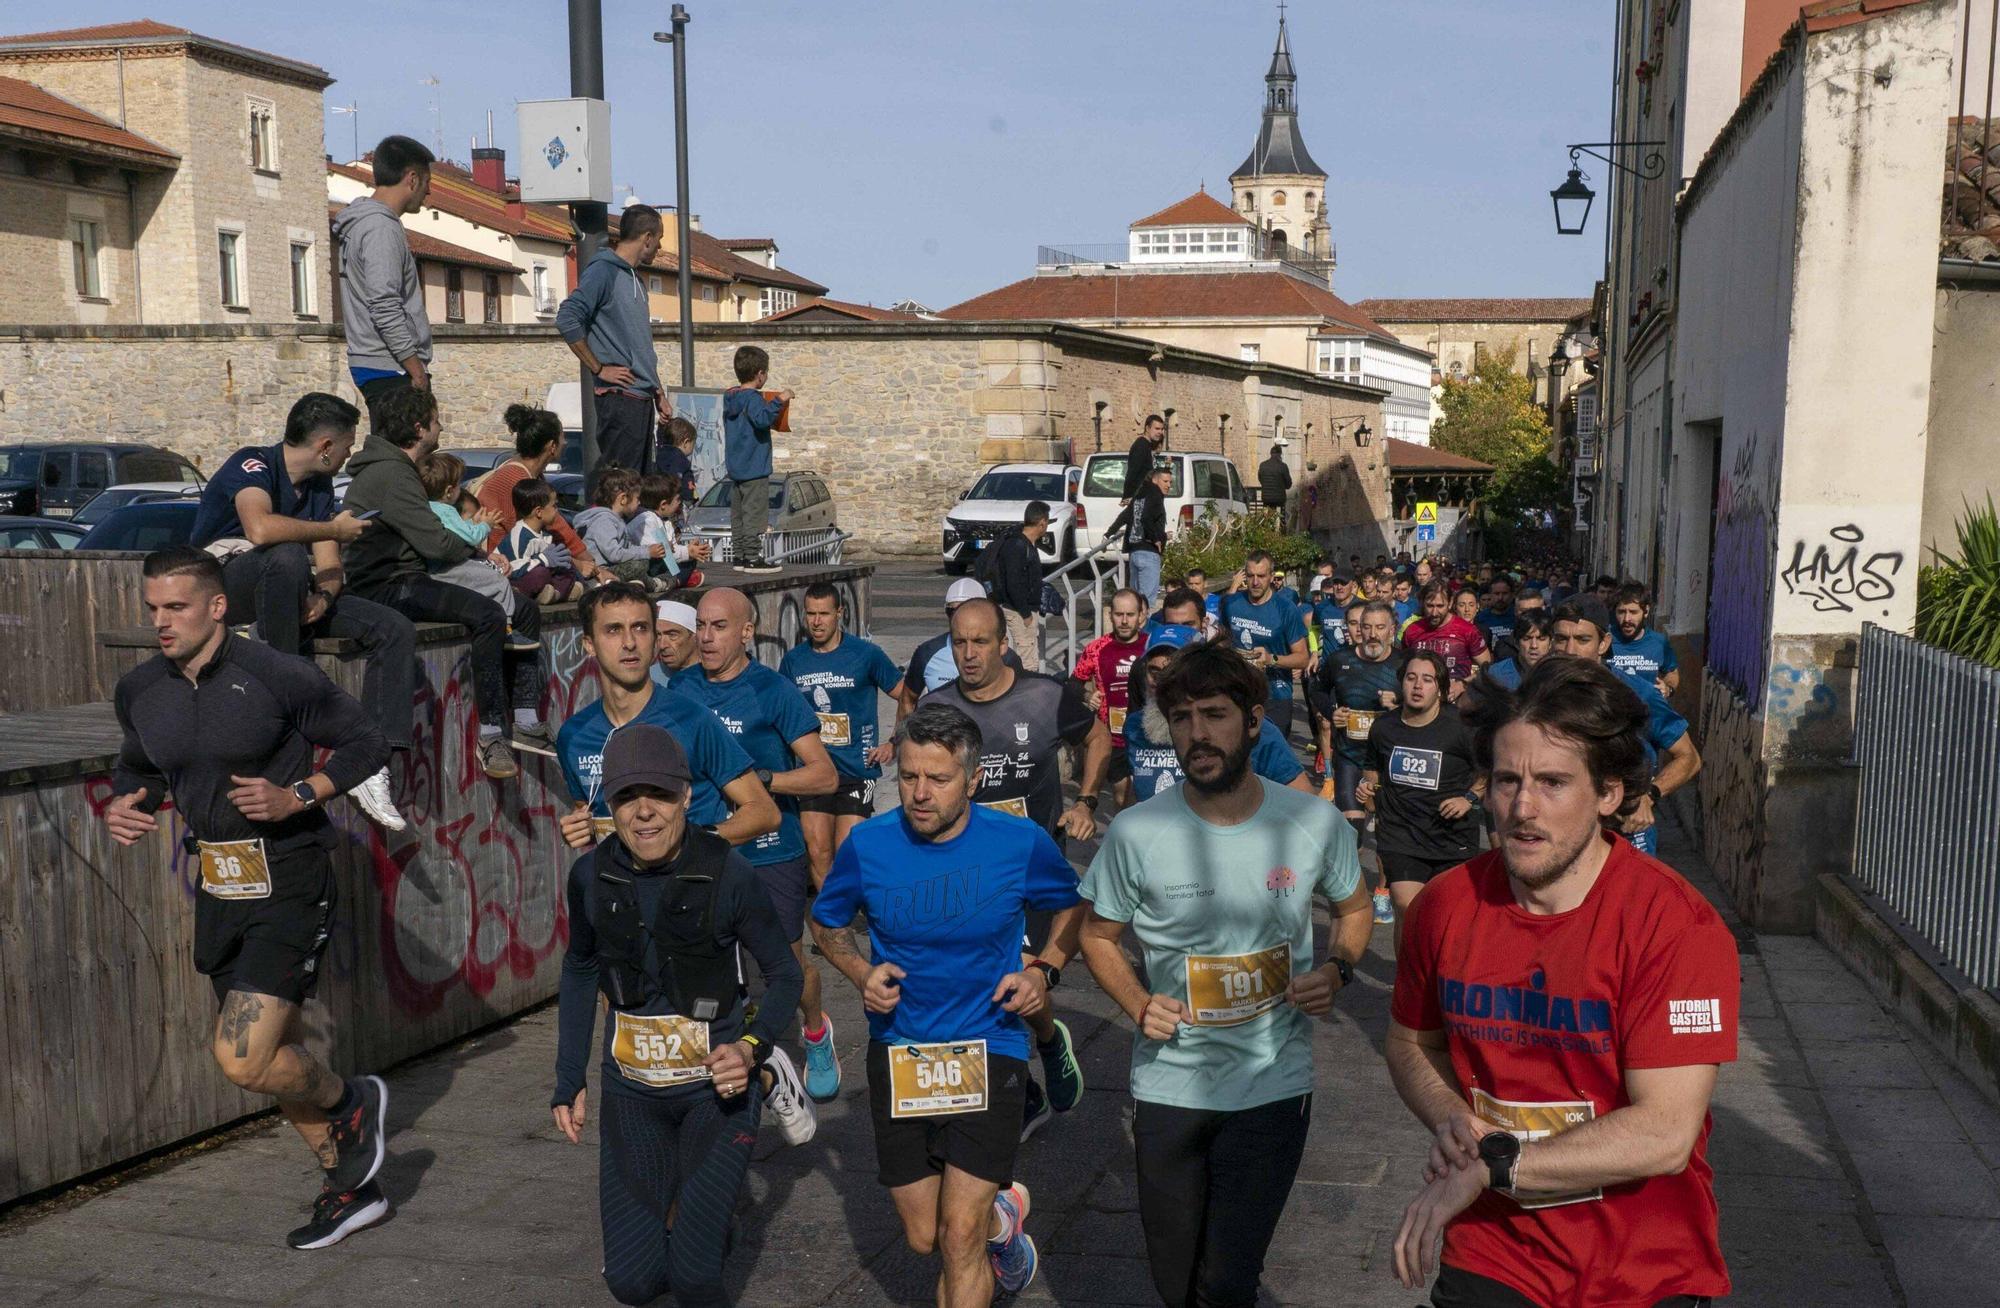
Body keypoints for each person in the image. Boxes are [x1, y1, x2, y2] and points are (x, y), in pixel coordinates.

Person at [1386, 657, 1740, 1307]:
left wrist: (1495, 1165)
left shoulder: (1678, 927)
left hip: (1642, 1271)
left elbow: (1665, 1132)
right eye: (1506, 780)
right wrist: (1456, 1123)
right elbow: (1411, 1042)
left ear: (1608, 793)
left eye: (1552, 782)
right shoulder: (1444, 905)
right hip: (1493, 1254)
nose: (1522, 807)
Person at [104, 548, 393, 1250]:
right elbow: (140, 764)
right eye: (152, 609)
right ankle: (351, 1189)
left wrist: (299, 793)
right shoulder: (141, 688)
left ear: (216, 606)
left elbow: (367, 741)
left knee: (243, 1058)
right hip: (220, 884)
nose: (161, 622)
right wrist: (126, 803)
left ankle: (352, 1101)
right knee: (276, 1052)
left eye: (175, 608)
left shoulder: (278, 675)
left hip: (291, 875)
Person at [1078, 641, 1372, 1308]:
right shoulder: (1136, 832)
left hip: (1273, 1086)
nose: (1197, 734)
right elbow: (1097, 936)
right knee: (1176, 1281)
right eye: (1181, 718)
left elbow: (1354, 908)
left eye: (1213, 714)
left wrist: (1339, 968)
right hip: (1170, 1086)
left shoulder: (1310, 822)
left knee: (1228, 1281)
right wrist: (1136, 1001)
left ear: (1255, 719)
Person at [811, 703, 1079, 1304]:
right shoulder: (870, 844)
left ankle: (984, 1223)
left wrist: (1045, 971)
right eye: (908, 777)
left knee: (960, 1239)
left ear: (973, 779)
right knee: (925, 1237)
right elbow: (827, 924)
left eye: (938, 778)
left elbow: (1072, 906)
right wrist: (860, 972)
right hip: (903, 1049)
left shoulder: (1019, 841)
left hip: (993, 1042)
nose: (920, 794)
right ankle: (1003, 1217)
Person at [551, 723, 811, 1307]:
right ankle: (709, 1222)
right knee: (633, 1282)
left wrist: (750, 1048)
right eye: (626, 797)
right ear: (608, 805)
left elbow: (786, 975)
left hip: (714, 1094)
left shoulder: (730, 874)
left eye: (660, 795)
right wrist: (569, 1079)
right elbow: (580, 968)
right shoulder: (590, 876)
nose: (644, 813)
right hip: (632, 1094)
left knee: (694, 1278)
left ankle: (768, 1078)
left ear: (687, 796)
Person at [920, 598, 1104, 1139]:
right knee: (978, 984)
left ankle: (1048, 1041)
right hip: (962, 872)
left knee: (1014, 978)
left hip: (1030, 872)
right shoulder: (936, 708)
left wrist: (1086, 800)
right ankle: (1022, 1091)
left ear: (1004, 644)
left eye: (980, 642)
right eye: (959, 642)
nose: (969, 654)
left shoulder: (1045, 696)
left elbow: (1095, 737)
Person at [189, 391, 410, 830]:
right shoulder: (253, 464)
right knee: (287, 554)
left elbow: (329, 563)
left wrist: (324, 597)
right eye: (347, 445)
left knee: (393, 626)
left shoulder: (318, 486)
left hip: (286, 589)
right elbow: (259, 527)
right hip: (221, 589)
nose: (349, 455)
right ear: (325, 446)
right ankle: (286, 698)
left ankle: (373, 762)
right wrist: (334, 528)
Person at [673, 588, 840, 1100]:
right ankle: (733, 1052)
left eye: (718, 627)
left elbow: (824, 775)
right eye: (700, 626)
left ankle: (815, 1030)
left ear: (746, 632)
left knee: (785, 964)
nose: (705, 637)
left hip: (771, 849)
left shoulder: (774, 691)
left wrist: (760, 780)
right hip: (707, 850)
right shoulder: (678, 691)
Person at [341, 384, 549, 780]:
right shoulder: (392, 474)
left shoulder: (394, 470)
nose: (441, 427)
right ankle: (491, 735)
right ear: (419, 428)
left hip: (412, 574)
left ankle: (524, 717)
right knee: (488, 614)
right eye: (437, 421)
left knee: (523, 609)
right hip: (390, 583)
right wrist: (475, 548)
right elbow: (435, 542)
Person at [780, 581, 905, 1100]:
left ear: (840, 614)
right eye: (809, 614)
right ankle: (831, 927)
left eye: (824, 614)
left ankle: (845, 918)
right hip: (814, 773)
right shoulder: (793, 661)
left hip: (854, 773)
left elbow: (906, 693)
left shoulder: (866, 656)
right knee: (818, 853)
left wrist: (894, 741)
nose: (816, 622)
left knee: (848, 853)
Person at [554, 582, 779, 855]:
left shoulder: (691, 719)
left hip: (693, 889)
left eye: (641, 628)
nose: (629, 643)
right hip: (622, 893)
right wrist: (579, 829)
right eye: (613, 630)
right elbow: (590, 813)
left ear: (654, 640)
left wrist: (694, 844)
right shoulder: (574, 736)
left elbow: (764, 812)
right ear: (589, 644)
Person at [1551, 598, 1701, 857]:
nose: (1571, 650)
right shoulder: (1539, 694)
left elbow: (1689, 757)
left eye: (1583, 640)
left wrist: (1649, 795)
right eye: (1561, 639)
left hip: (1624, 836)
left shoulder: (1637, 695)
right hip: (1561, 832)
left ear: (1604, 643)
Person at [1357, 650, 1484, 944]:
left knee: (1447, 917)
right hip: (1401, 833)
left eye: (1427, 680)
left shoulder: (1461, 728)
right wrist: (1368, 790)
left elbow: (1489, 770)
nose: (1417, 686)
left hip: (1451, 836)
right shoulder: (1384, 727)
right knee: (1407, 904)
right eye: (1411, 678)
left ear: (1439, 688)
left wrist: (1469, 798)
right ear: (1401, 684)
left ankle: (1439, 977)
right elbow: (1372, 769)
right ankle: (1406, 982)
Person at [1122, 626, 1312, 800]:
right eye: (1153, 671)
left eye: (1171, 671)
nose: (1161, 681)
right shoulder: (1134, 727)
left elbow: (1305, 805)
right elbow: (1137, 791)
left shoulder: (1251, 728)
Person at [333, 135, 435, 434]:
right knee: (402, 458)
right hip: (390, 366)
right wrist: (415, 370)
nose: (429, 192)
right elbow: (385, 304)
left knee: (396, 457)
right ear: (412, 179)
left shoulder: (366, 224)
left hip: (380, 364)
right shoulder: (380, 228)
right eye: (427, 182)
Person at [556, 204, 667, 475]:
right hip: (621, 400)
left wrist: (657, 391)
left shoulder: (635, 280)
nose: (659, 247)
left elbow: (638, 344)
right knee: (620, 487)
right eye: (659, 240)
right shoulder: (603, 271)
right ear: (647, 238)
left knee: (635, 489)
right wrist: (599, 368)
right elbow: (567, 317)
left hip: (640, 397)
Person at [1318, 599, 1405, 919]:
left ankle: (1382, 891)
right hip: (1350, 756)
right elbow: (1318, 690)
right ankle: (1352, 895)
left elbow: (1427, 704)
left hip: (1386, 762)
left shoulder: (1404, 664)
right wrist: (1332, 711)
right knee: (1350, 828)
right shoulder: (1339, 660)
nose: (1371, 634)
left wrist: (1398, 704)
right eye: (1366, 627)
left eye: (1379, 628)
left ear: (1391, 631)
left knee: (1384, 833)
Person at [474, 404, 604, 583]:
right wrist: (586, 564)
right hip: (507, 567)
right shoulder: (516, 479)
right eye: (562, 437)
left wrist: (589, 563)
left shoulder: (529, 475)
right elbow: (555, 528)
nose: (565, 442)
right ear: (552, 446)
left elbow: (558, 530)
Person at [413, 450, 535, 636]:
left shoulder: (427, 508)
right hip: (447, 568)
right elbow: (470, 537)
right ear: (448, 492)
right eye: (458, 487)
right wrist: (485, 525)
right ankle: (508, 626)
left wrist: (472, 523)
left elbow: (457, 530)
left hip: (435, 570)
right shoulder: (446, 511)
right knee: (498, 580)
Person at [1217, 550, 1310, 743]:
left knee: (1272, 758)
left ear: (1271, 576)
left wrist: (1271, 659)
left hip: (1275, 694)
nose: (1255, 582)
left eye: (1261, 576)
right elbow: (1223, 640)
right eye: (1250, 576)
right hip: (1239, 691)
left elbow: (1302, 658)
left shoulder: (1286, 609)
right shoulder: (1231, 603)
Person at [1071, 588, 1150, 807]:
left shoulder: (1151, 645)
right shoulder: (1097, 648)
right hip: (1114, 736)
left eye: (1130, 615)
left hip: (1148, 735)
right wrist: (1087, 695)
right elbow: (1072, 684)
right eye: (1119, 614)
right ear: (1110, 615)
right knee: (1121, 797)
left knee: (1147, 798)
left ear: (1141, 616)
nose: (1124, 621)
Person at [901, 578, 1026, 708]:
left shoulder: (1008, 657)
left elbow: (1020, 700)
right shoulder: (927, 653)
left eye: (967, 610)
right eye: (951, 611)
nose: (959, 616)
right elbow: (907, 700)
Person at [722, 345, 792, 572]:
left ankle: (740, 556)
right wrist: (780, 400)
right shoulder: (753, 398)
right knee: (754, 513)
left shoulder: (730, 396)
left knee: (738, 514)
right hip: (754, 467)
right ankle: (752, 557)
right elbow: (762, 420)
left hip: (736, 467)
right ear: (760, 374)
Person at [980, 499, 1051, 672]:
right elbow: (1014, 583)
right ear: (1042, 523)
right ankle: (1026, 694)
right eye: (1047, 522)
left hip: (1020, 609)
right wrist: (1026, 614)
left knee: (1024, 657)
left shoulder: (1022, 543)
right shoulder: (1018, 546)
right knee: (1027, 662)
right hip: (1018, 611)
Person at [575, 465, 667, 591]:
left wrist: (650, 550)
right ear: (623, 499)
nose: (639, 503)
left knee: (648, 561)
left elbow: (627, 548)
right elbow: (614, 554)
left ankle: (639, 583)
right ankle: (653, 584)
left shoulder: (617, 520)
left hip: (612, 566)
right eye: (637, 499)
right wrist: (646, 552)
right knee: (640, 564)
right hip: (600, 570)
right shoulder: (604, 520)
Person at [499, 477, 587, 603]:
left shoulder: (545, 534)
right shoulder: (520, 535)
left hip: (544, 580)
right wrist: (542, 560)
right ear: (539, 512)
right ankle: (542, 594)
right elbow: (515, 569)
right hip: (517, 579)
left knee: (567, 569)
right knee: (540, 574)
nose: (557, 510)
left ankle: (555, 594)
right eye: (554, 506)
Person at [1402, 580, 1490, 700]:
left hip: (1456, 704)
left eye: (1440, 606)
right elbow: (1403, 669)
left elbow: (1488, 668)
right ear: (1422, 603)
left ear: (1450, 603)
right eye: (1430, 605)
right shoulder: (1411, 631)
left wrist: (1462, 684)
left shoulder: (1468, 630)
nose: (1434, 612)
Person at [629, 471, 707, 589]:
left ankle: (674, 579)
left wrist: (689, 550)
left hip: (661, 561)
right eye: (677, 500)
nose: (680, 503)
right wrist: (687, 552)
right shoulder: (648, 521)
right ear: (663, 504)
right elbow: (663, 555)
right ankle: (670, 581)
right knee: (683, 564)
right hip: (648, 565)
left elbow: (672, 549)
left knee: (690, 562)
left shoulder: (664, 520)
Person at [1110, 464, 1169, 603]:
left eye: (1170, 482)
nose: (1169, 486)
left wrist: (1109, 533)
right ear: (1155, 480)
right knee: (1146, 603)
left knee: (1135, 602)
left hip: (1135, 552)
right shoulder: (1156, 495)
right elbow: (1146, 517)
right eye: (1165, 481)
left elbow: (1125, 515)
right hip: (1148, 552)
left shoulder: (1140, 494)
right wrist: (1157, 539)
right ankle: (1144, 625)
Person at [1610, 583, 1681, 696]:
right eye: (1621, 612)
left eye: (1633, 612)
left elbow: (1672, 672)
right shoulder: (1605, 640)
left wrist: (1667, 689)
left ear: (1646, 611)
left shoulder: (1659, 642)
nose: (1626, 619)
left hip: (1648, 711)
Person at [1479, 609, 1553, 692]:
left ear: (1550, 643)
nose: (1534, 645)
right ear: (1516, 642)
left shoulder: (1558, 675)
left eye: (1541, 639)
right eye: (1526, 638)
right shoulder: (1495, 674)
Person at [1120, 413, 1167, 503]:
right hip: (1139, 499)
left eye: (1161, 429)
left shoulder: (1147, 445)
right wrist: (1127, 497)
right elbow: (1132, 473)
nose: (1160, 432)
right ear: (1147, 428)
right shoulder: (1141, 446)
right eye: (1157, 429)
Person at [653, 598, 701, 685]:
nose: (662, 645)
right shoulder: (647, 681)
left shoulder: (718, 678)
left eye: (672, 635)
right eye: (658, 635)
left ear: (695, 636)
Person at [1474, 576, 1518, 661]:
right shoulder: (1480, 618)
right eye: (1496, 594)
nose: (1500, 598)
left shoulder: (1518, 616)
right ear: (1490, 595)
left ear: (1512, 595)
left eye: (1505, 593)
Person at [658, 414, 698, 499]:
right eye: (693, 444)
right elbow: (676, 479)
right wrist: (690, 497)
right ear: (686, 443)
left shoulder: (662, 452)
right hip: (677, 499)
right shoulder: (680, 460)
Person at [1257, 441, 1292, 521]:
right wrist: (1282, 485)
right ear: (1279, 455)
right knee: (1280, 519)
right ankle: (1280, 528)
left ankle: (1267, 528)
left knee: (1267, 519)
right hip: (1279, 499)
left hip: (1266, 498)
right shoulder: (1283, 466)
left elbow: (1260, 479)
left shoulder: (1263, 465)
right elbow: (1289, 484)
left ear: (1271, 454)